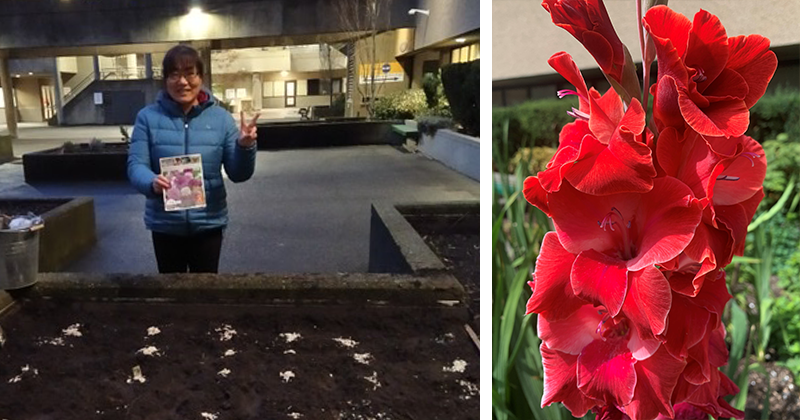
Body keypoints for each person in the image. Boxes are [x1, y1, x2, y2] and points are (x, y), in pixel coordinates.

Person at [127, 44, 260, 273]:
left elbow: (239, 174)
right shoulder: (148, 118)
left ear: (201, 77)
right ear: (166, 79)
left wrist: (244, 146)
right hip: (165, 225)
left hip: (208, 223)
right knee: (172, 294)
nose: (182, 81)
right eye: (174, 74)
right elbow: (136, 165)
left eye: (190, 73)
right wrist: (152, 182)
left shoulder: (221, 119)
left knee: (205, 293)